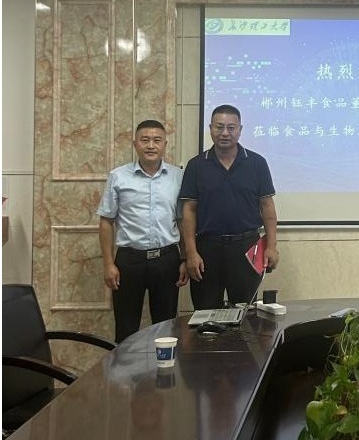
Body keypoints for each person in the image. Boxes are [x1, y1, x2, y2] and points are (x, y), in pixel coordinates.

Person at [180, 104, 279, 310]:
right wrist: (191, 253)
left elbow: (267, 208)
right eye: (219, 127)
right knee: (205, 315)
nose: (225, 133)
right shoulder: (196, 165)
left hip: (246, 248)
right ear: (210, 129)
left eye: (231, 127)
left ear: (240, 130)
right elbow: (189, 211)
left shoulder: (257, 163)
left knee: (246, 315)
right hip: (207, 248)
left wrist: (271, 246)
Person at [98, 120, 187, 343]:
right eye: (145, 140)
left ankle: (164, 367)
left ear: (165, 144)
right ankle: (125, 367)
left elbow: (182, 220)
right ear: (135, 144)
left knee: (166, 329)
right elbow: (106, 221)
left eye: (157, 140)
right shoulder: (118, 176)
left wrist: (184, 258)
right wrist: (108, 264)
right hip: (129, 261)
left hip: (167, 260)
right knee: (126, 329)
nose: (151, 145)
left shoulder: (178, 176)